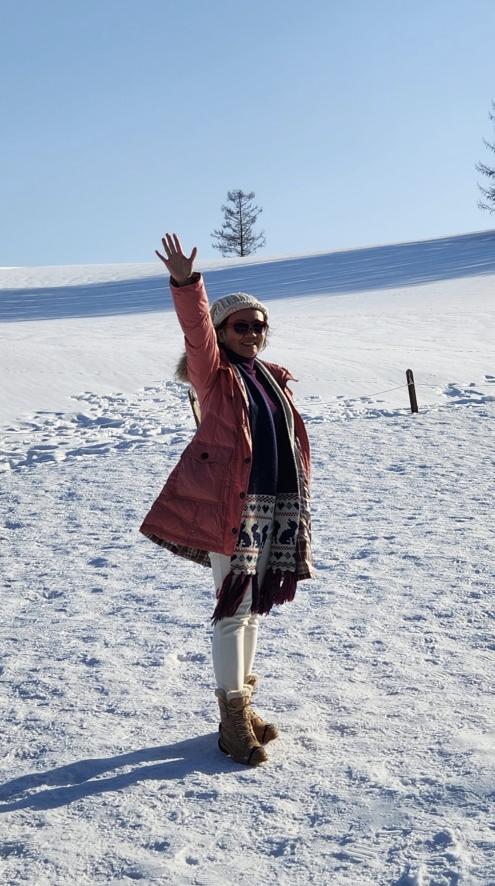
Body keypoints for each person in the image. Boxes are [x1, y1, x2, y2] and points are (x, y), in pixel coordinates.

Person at [140, 233, 314, 767]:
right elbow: (194, 333)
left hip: (273, 505)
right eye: (242, 326)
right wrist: (188, 285)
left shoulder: (269, 378)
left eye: (260, 325)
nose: (254, 334)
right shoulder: (214, 377)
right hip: (232, 507)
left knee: (253, 607)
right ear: (221, 332)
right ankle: (231, 718)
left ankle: (243, 701)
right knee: (234, 609)